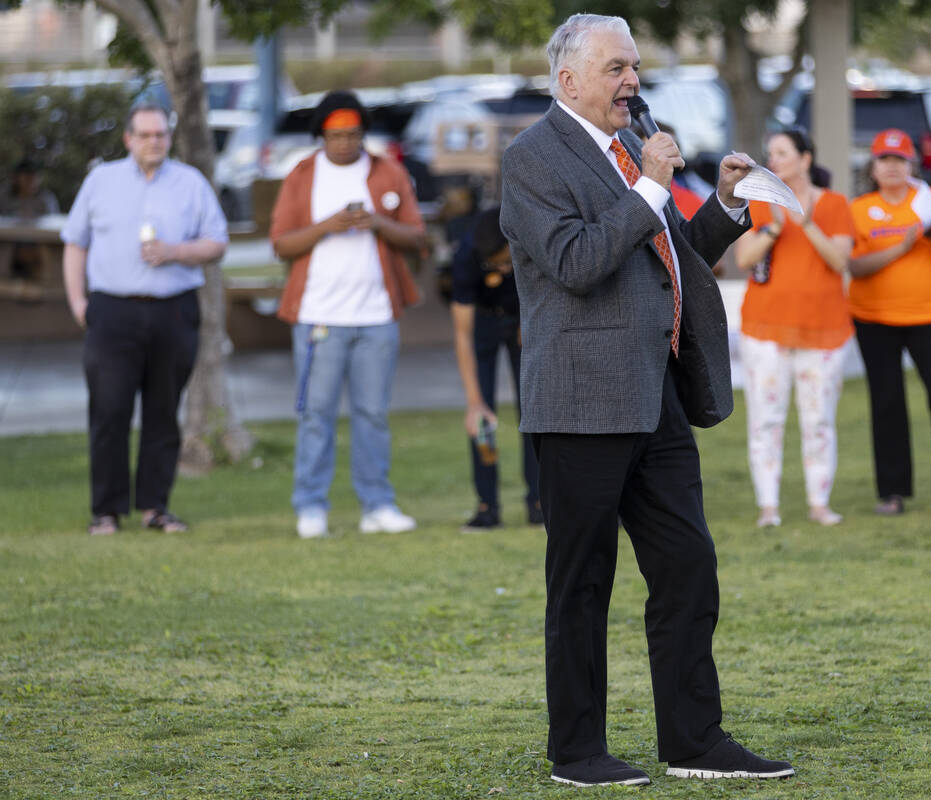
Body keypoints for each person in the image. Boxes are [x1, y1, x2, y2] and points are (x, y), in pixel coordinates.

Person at [500, 13, 794, 788]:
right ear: (569, 82)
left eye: (634, 66)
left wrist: (723, 208)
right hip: (580, 404)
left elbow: (666, 261)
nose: (633, 80)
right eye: (615, 68)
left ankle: (695, 742)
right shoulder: (532, 159)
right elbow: (573, 262)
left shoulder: (631, 151)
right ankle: (578, 753)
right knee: (582, 581)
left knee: (689, 564)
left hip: (653, 395)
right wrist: (650, 187)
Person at [61, 102, 228, 536]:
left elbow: (217, 242)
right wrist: (79, 302)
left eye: (161, 134)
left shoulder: (190, 183)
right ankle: (106, 511)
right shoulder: (101, 181)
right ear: (128, 139)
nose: (155, 142)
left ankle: (156, 507)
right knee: (109, 411)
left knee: (162, 411)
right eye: (146, 134)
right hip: (113, 309)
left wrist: (176, 251)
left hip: (172, 308)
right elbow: (74, 243)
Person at [270, 90, 429, 538]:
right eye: (336, 136)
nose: (345, 144)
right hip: (319, 316)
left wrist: (377, 222)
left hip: (376, 315)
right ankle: (311, 505)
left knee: (373, 414)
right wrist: (326, 227)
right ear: (321, 135)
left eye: (353, 134)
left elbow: (416, 236)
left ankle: (377, 504)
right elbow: (281, 243)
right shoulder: (303, 175)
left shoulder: (387, 171)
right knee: (316, 413)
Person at [847, 128, 931, 518]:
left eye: (899, 160)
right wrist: (903, 246)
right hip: (874, 318)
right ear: (873, 167)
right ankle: (892, 492)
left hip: (928, 314)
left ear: (911, 164)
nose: (892, 167)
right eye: (884, 160)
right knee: (887, 402)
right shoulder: (859, 209)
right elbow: (855, 266)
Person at [734, 129, 853, 529]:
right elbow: (745, 258)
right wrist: (773, 228)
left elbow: (839, 262)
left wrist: (806, 224)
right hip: (766, 328)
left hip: (824, 329)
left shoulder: (834, 204)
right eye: (771, 154)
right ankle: (768, 506)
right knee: (765, 419)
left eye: (783, 153)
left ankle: (819, 502)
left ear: (805, 159)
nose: (775, 160)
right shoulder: (761, 204)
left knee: (818, 418)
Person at [449, 206, 541, 531]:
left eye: (506, 262)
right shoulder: (466, 258)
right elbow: (462, 333)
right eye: (495, 265)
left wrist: (530, 323)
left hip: (524, 318)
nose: (502, 271)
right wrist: (474, 401)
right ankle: (487, 506)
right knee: (482, 420)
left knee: (534, 413)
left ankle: (539, 502)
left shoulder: (529, 238)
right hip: (484, 324)